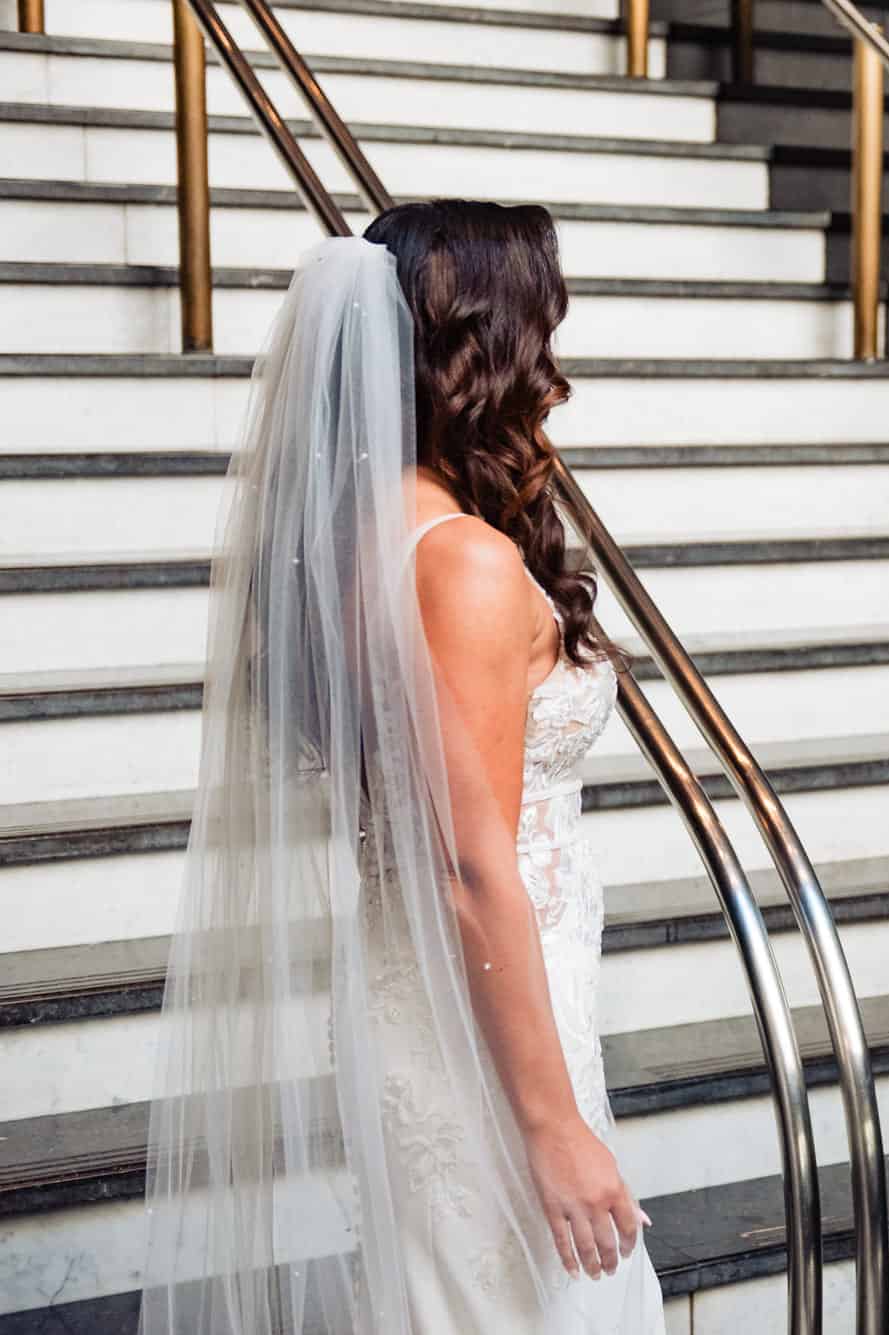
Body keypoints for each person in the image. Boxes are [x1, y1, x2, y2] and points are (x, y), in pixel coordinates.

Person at [140, 203, 665, 1334]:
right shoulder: (462, 566)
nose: (555, 370)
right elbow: (466, 870)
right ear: (483, 348)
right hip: (480, 1026)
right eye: (541, 331)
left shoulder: (365, 535)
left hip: (432, 1003)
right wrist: (552, 1127)